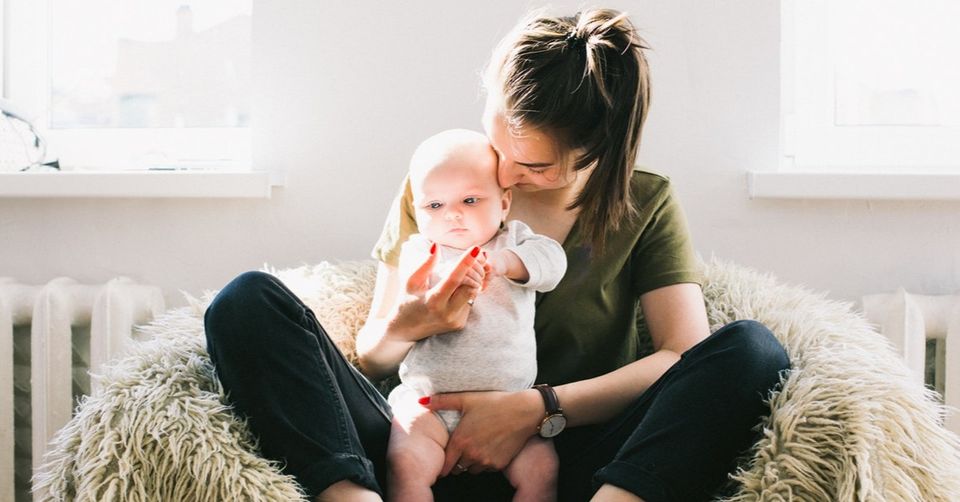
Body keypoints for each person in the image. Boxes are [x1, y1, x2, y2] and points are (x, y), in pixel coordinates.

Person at [204, 7, 790, 502]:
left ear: (598, 151)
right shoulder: (445, 183)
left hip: (563, 461)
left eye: (534, 165)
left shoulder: (645, 202)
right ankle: (348, 496)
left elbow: (680, 355)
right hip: (415, 444)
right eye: (498, 141)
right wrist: (410, 325)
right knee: (245, 302)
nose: (505, 174)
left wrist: (537, 410)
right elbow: (374, 359)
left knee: (753, 352)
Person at [385, 128, 566, 502]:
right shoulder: (422, 249)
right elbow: (412, 289)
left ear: (503, 204)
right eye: (434, 206)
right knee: (404, 466)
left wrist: (504, 263)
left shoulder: (513, 241)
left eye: (470, 200)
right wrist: (428, 284)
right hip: (428, 406)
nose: (452, 215)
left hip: (509, 410)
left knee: (543, 470)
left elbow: (553, 263)